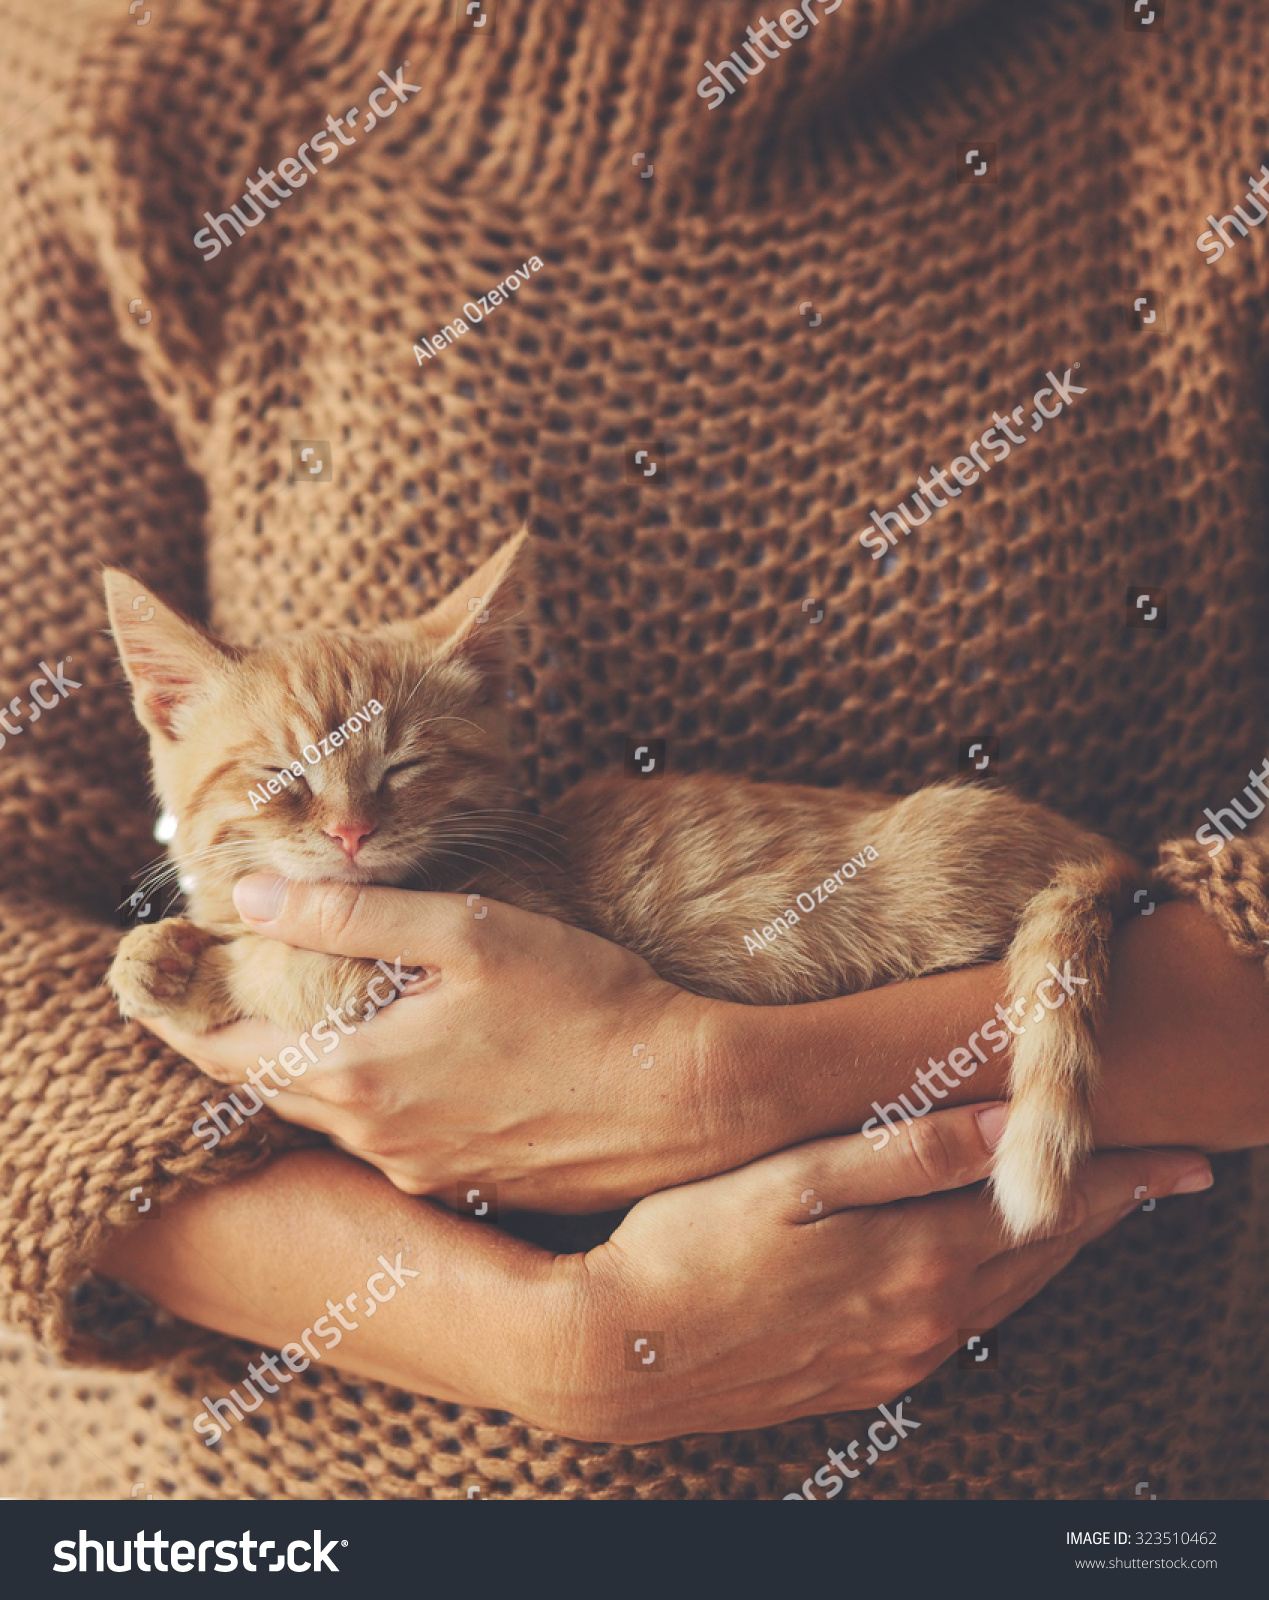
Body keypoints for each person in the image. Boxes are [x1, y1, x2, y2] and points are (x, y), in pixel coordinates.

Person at [2, 0, 1267, 1499]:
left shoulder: (1210, 83)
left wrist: (734, 1086)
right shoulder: (168, 111)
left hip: (1064, 1488)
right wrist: (548, 1345)